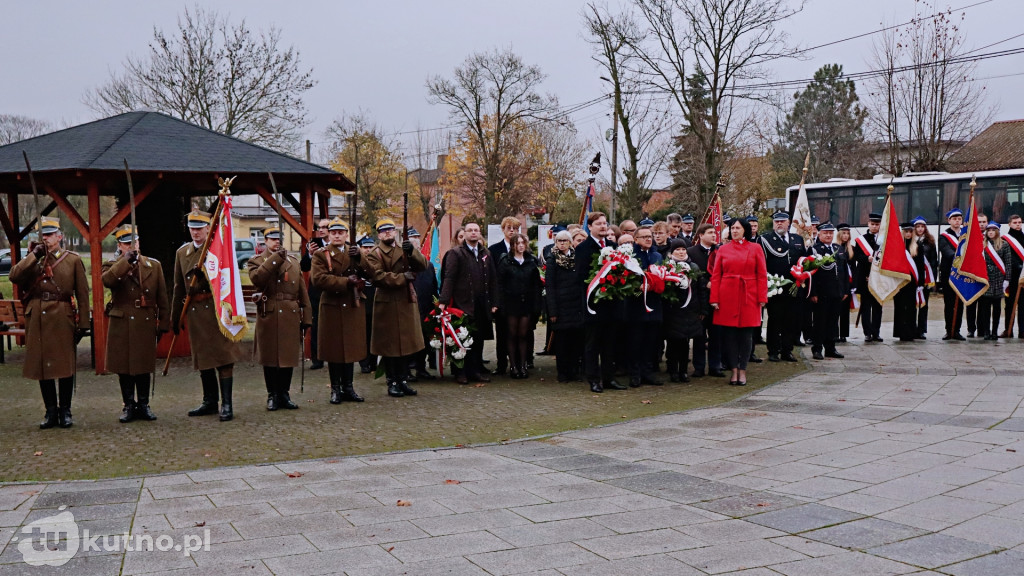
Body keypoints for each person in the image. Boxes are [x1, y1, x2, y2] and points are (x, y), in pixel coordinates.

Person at [11, 218, 90, 429]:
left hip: (62, 315)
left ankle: (65, 410)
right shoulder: (33, 259)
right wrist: (34, 255)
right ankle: (50, 411)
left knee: (64, 365)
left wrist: (83, 323)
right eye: (43, 235)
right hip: (37, 315)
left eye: (50, 234)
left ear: (59, 236)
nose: (46, 238)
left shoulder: (72, 260)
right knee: (42, 365)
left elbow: (82, 294)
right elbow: (14, 276)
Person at [172, 210, 243, 421]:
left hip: (216, 311)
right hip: (195, 313)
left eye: (199, 228)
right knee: (203, 358)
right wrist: (175, 317)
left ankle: (227, 404)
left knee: (223, 357)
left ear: (207, 229)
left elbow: (227, 280)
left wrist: (205, 280)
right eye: (192, 228)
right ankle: (209, 401)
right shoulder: (182, 253)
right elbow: (178, 287)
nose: (195, 232)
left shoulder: (217, 251)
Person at [101, 225, 170, 423]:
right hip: (122, 319)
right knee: (124, 366)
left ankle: (144, 404)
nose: (131, 246)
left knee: (143, 364)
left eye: (134, 242)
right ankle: (128, 405)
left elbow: (162, 296)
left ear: (139, 242)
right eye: (125, 243)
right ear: (119, 245)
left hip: (144, 319)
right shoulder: (112, 264)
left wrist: (164, 321)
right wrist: (126, 261)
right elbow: (108, 280)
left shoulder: (152, 265)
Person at [248, 226, 311, 410]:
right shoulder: (256, 261)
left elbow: (302, 291)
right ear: (265, 240)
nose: (276, 242)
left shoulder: (293, 261)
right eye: (272, 238)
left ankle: (284, 393)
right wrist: (276, 259)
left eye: (279, 239)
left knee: (287, 356)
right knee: (269, 356)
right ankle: (272, 394)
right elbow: (258, 279)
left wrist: (306, 316)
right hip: (269, 312)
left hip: (289, 313)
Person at [366, 218, 427, 397]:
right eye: (383, 231)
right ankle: (392, 381)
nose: (387, 233)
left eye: (390, 230)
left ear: (395, 232)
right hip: (386, 302)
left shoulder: (404, 249)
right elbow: (378, 276)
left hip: (405, 301)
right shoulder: (374, 253)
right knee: (390, 346)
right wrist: (402, 278)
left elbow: (423, 265)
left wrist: (412, 252)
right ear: (378, 234)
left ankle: (403, 380)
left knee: (405, 344)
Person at [311, 218, 367, 403]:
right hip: (332, 306)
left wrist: (360, 257)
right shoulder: (321, 254)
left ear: (346, 235)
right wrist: (345, 282)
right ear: (329, 234)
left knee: (350, 348)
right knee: (334, 349)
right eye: (333, 232)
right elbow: (318, 279)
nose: (336, 235)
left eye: (340, 232)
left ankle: (348, 387)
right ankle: (335, 389)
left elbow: (371, 272)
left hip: (352, 304)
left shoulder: (354, 252)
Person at [710, 218, 767, 386]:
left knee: (746, 336)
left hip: (749, 294)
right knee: (729, 336)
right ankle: (733, 370)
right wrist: (714, 298)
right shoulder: (723, 249)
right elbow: (716, 275)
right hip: (727, 294)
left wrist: (762, 297)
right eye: (732, 228)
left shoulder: (755, 248)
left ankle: (743, 370)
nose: (734, 231)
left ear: (745, 230)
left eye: (738, 228)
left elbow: (762, 274)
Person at [439, 222, 497, 384]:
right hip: (461, 304)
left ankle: (475, 371)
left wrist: (494, 301)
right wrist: (443, 301)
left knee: (478, 340)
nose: (473, 233)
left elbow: (493, 279)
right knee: (462, 340)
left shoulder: (486, 253)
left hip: (481, 304)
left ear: (480, 234)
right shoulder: (456, 253)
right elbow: (449, 278)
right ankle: (460, 372)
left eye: (476, 230)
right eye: (470, 230)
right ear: (464, 234)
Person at [576, 212, 626, 393]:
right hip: (594, 305)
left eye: (605, 223)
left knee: (609, 344)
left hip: (612, 305)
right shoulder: (583, 248)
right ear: (590, 227)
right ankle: (594, 379)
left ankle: (608, 378)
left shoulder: (614, 246)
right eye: (599, 224)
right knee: (593, 344)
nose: (603, 226)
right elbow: (581, 277)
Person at [496, 233, 543, 379]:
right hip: (511, 303)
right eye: (518, 243)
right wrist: (500, 304)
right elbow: (500, 284)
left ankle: (523, 365)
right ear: (513, 245)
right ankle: (513, 366)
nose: (521, 245)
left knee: (523, 334)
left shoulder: (531, 261)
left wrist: (536, 305)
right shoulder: (506, 261)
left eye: (523, 243)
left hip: (526, 303)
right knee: (512, 334)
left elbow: (536, 285)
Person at [760, 212, 805, 363]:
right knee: (775, 320)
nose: (779, 224)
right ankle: (773, 351)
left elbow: (803, 261)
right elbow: (762, 263)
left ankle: (787, 350)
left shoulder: (797, 239)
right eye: (776, 221)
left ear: (788, 223)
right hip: (775, 287)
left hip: (794, 286)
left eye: (782, 221)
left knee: (791, 321)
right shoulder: (765, 239)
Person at [625, 226, 663, 387]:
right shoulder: (630, 256)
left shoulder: (657, 255)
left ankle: (648, 372)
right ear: (636, 239)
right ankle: (635, 373)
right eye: (644, 236)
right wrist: (637, 287)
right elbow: (626, 278)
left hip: (654, 304)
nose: (649, 239)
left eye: (650, 236)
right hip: (636, 305)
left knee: (651, 341)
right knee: (635, 341)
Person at [545, 230, 584, 382]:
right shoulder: (552, 259)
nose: (562, 243)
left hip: (575, 305)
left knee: (575, 341)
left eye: (565, 241)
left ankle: (574, 371)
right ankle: (563, 373)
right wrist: (552, 310)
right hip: (560, 307)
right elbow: (549, 286)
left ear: (570, 242)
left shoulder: (576, 258)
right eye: (559, 241)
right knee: (562, 343)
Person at [664, 239, 705, 383]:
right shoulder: (667, 267)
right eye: (677, 250)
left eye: (683, 249)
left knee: (685, 343)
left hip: (690, 311)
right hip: (674, 311)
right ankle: (673, 370)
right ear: (671, 252)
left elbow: (701, 290)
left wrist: (702, 309)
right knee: (674, 342)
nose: (681, 252)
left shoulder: (693, 267)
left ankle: (683, 371)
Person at [688, 224, 724, 377]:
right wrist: (704, 283)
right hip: (699, 300)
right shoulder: (692, 252)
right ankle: (699, 367)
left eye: (714, 233)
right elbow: (689, 273)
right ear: (701, 235)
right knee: (699, 335)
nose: (714, 235)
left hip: (717, 299)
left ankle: (716, 366)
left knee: (716, 335)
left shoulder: (720, 251)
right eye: (710, 233)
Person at [808, 223, 849, 358]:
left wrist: (845, 290)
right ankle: (817, 348)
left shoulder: (839, 248)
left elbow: (843, 271)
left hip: (837, 292)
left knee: (833, 322)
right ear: (819, 234)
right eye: (825, 233)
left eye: (831, 233)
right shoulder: (814, 250)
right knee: (820, 322)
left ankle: (830, 348)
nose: (828, 235)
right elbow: (811, 273)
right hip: (822, 292)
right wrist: (813, 292)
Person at [489, 216, 521, 376]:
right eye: (508, 227)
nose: (512, 230)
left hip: (519, 299)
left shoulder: (522, 249)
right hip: (502, 298)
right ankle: (502, 364)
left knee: (520, 332)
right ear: (503, 230)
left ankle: (521, 363)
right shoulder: (494, 250)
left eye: (515, 228)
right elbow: (492, 276)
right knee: (502, 333)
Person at [406, 228, 439, 382]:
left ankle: (421, 368)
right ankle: (406, 370)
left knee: (424, 342)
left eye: (417, 249)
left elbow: (433, 288)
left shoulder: (428, 266)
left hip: (425, 310)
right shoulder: (403, 267)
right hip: (407, 310)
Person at [979, 222, 1019, 340]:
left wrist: (1007, 279)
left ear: (997, 231)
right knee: (985, 307)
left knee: (996, 307)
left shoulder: (1004, 245)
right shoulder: (982, 244)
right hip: (986, 277)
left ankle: (995, 331)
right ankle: (986, 331)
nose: (990, 232)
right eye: (989, 230)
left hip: (999, 277)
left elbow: (1008, 263)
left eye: (993, 230)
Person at [300, 218, 330, 370]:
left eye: (326, 227)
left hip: (334, 291)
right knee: (316, 325)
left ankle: (334, 355)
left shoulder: (340, 245)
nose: (322, 229)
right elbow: (304, 266)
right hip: (317, 292)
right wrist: (310, 255)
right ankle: (317, 359)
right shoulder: (314, 244)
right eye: (320, 227)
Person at [853, 212, 884, 342]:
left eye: (877, 224)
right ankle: (867, 333)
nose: (874, 227)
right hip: (865, 277)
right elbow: (857, 257)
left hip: (879, 279)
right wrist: (867, 258)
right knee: (866, 307)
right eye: (872, 224)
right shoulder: (861, 239)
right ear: (868, 224)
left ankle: (876, 332)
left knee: (878, 306)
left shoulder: (884, 239)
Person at [939, 208, 966, 340]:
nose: (957, 221)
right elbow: (946, 251)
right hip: (948, 274)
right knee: (949, 303)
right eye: (954, 219)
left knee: (959, 303)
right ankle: (949, 330)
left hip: (962, 274)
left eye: (959, 219)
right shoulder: (944, 236)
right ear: (949, 220)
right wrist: (959, 256)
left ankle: (957, 330)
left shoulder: (965, 235)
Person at [893, 223, 922, 342]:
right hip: (899, 281)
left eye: (910, 231)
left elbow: (920, 267)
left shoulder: (917, 246)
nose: (908, 234)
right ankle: (900, 332)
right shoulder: (897, 246)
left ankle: (910, 332)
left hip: (912, 282)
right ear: (902, 232)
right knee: (899, 307)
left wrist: (920, 283)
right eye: (906, 232)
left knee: (911, 307)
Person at [965, 213, 990, 337]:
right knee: (971, 303)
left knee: (984, 305)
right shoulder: (970, 237)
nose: (981, 224)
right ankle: (971, 329)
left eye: (984, 222)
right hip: (972, 275)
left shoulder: (991, 237)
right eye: (979, 222)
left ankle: (982, 329)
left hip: (985, 276)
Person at [913, 216, 938, 339]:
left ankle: (921, 330)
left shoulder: (930, 242)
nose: (920, 229)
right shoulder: (911, 241)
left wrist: (932, 278)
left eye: (922, 227)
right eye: (917, 227)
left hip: (926, 277)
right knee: (913, 304)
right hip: (914, 277)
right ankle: (912, 327)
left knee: (924, 304)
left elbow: (934, 261)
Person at [357, 236, 378, 374]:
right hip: (362, 303)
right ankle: (364, 362)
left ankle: (373, 362)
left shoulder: (377, 262)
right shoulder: (356, 263)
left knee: (374, 334)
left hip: (375, 303)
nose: (368, 250)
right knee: (363, 335)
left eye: (371, 247)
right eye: (365, 247)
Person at [1002, 214, 1024, 337]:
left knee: (1023, 304)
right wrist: (1017, 266)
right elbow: (1007, 257)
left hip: (1023, 278)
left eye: (1019, 222)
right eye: (1015, 222)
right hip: (1011, 277)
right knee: (1010, 304)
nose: (1018, 224)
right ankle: (1008, 330)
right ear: (1009, 224)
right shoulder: (1005, 240)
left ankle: (1022, 330)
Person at [837, 223, 855, 343]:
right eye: (843, 233)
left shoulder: (851, 249)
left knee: (844, 311)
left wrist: (853, 285)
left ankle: (843, 334)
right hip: (838, 281)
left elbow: (854, 267)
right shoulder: (835, 247)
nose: (846, 235)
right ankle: (834, 333)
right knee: (836, 310)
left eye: (847, 233)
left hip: (848, 281)